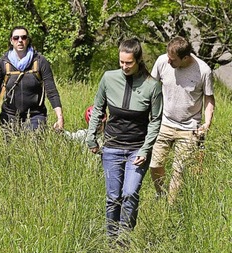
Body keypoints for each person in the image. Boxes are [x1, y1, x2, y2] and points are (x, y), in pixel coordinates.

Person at [85, 38, 162, 240]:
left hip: (137, 149)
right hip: (111, 148)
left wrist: (146, 150)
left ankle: (125, 238)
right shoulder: (108, 79)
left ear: (138, 60)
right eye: (121, 62)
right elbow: (98, 109)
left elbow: (155, 121)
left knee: (130, 194)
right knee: (113, 197)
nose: (124, 66)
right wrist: (91, 137)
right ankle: (112, 240)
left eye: (128, 63)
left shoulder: (152, 86)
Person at [149, 36, 215, 203]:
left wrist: (207, 124)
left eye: (173, 60)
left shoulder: (204, 71)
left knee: (179, 170)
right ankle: (161, 194)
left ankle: (169, 208)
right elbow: (150, 87)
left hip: (189, 127)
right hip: (164, 122)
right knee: (155, 165)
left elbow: (208, 99)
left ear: (186, 57)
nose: (169, 62)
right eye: (168, 57)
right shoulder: (162, 61)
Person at [0, 26, 64, 131]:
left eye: (23, 37)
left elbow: (51, 90)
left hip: (35, 116)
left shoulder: (40, 61)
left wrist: (60, 117)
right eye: (16, 38)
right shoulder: (3, 63)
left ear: (27, 40)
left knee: (34, 144)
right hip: (9, 116)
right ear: (11, 41)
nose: (20, 41)